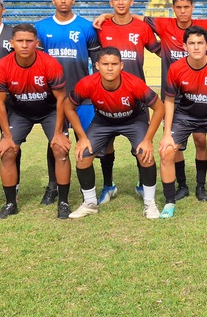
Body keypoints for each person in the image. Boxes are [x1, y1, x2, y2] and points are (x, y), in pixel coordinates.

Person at [63, 47, 164, 220]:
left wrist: (148, 139)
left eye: (114, 64)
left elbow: (159, 107)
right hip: (103, 120)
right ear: (97, 65)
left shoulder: (134, 83)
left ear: (122, 65)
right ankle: (89, 204)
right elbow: (68, 106)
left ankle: (150, 203)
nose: (110, 68)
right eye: (105, 64)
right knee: (83, 155)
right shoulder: (87, 84)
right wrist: (82, 137)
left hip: (133, 120)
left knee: (145, 154)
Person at [0, 23, 72, 219]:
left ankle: (63, 202)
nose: (24, 45)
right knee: (8, 152)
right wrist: (7, 136)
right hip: (20, 112)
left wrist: (59, 133)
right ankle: (11, 203)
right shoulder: (2, 66)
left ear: (37, 43)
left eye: (29, 41)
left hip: (50, 110)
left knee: (60, 149)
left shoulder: (50, 64)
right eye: (20, 41)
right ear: (12, 43)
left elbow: (61, 98)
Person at [159, 25, 207, 217]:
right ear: (184, 46)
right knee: (167, 151)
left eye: (200, 43)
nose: (196, 47)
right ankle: (169, 202)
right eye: (191, 43)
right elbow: (169, 100)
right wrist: (166, 134)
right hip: (185, 116)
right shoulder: (176, 68)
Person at [148, 0, 207, 202]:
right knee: (174, 143)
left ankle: (201, 186)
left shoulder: (203, 24)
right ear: (173, 8)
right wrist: (106, 17)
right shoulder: (163, 24)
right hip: (172, 96)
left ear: (192, 7)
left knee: (200, 140)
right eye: (178, 7)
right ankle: (181, 185)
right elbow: (137, 18)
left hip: (197, 95)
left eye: (186, 7)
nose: (182, 11)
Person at [35, 0, 101, 205]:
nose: (63, 1)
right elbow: (38, 64)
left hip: (82, 97)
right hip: (53, 99)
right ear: (52, 0)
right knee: (56, 143)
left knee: (87, 142)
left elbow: (97, 63)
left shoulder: (87, 27)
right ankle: (53, 187)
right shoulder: (42, 28)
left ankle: (87, 190)